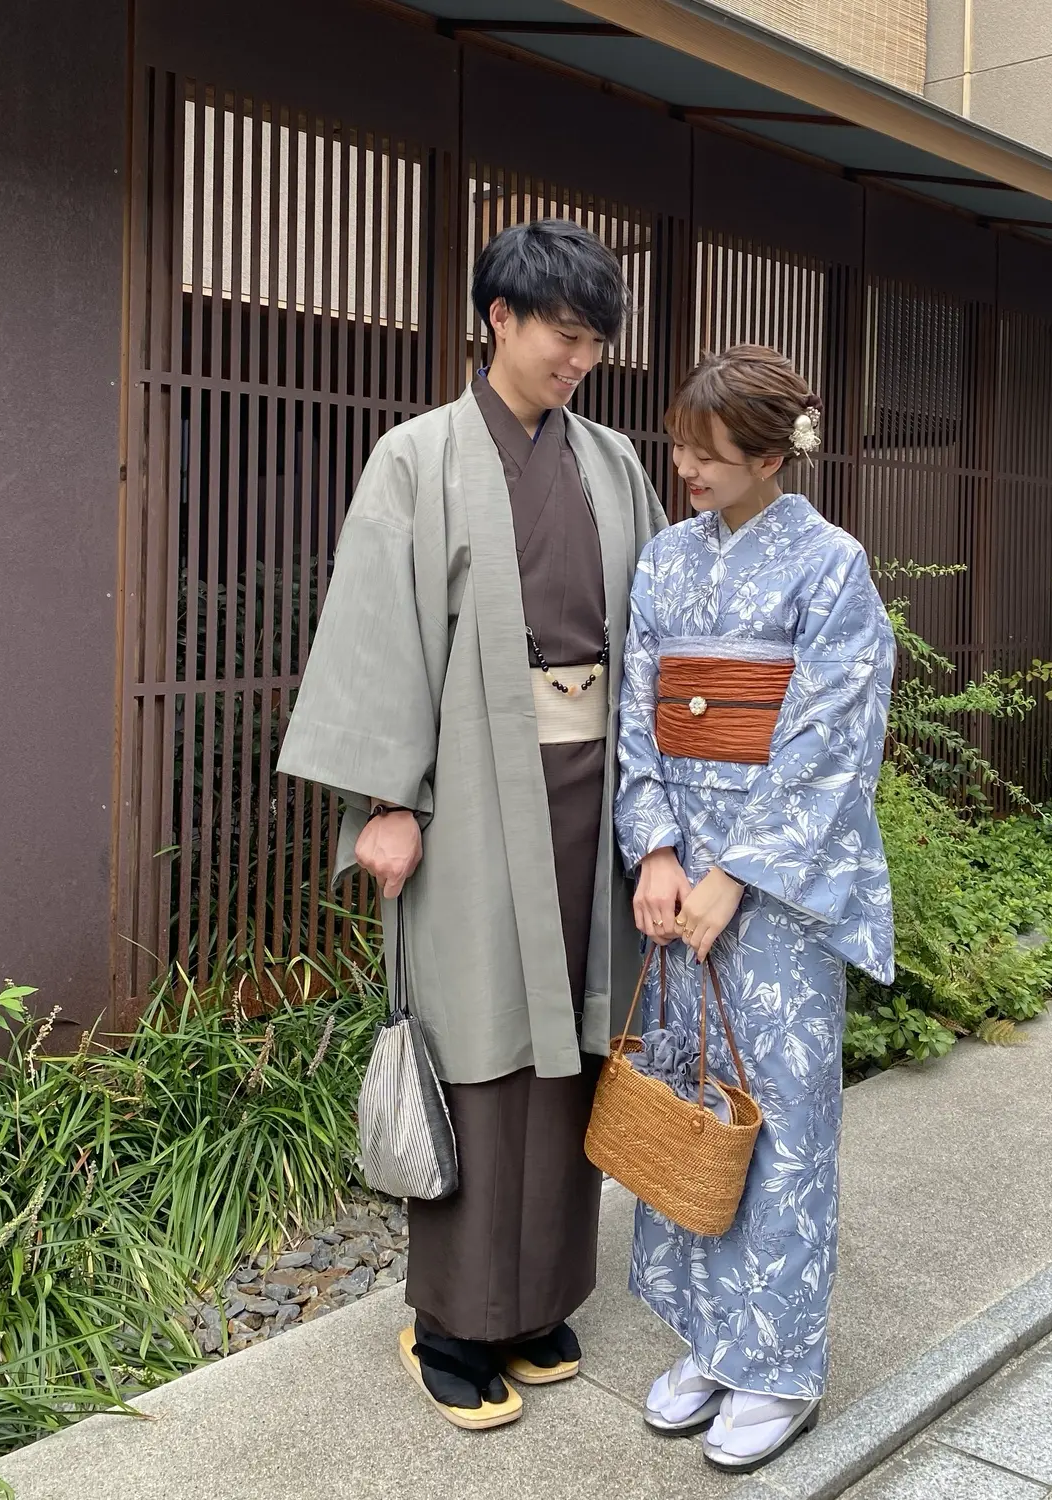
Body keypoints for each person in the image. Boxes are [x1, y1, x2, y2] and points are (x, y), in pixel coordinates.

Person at [277, 220, 665, 1431]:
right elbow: (379, 631)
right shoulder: (417, 457)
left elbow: (649, 636)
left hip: (592, 795)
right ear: (498, 317)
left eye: (597, 339)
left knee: (576, 1049)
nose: (582, 359)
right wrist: (388, 800)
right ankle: (449, 1321)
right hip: (474, 797)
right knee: (480, 1048)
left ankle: (541, 1300)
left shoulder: (611, 464)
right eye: (565, 333)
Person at [613, 345, 895, 1473]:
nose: (683, 465)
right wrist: (660, 852)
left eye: (707, 451)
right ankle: (706, 1337)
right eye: (680, 443)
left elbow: (832, 733)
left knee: (776, 1112)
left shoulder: (831, 567)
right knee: (686, 1096)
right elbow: (641, 708)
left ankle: (776, 1361)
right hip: (682, 884)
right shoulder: (664, 562)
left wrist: (737, 873)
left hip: (772, 893)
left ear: (772, 456)